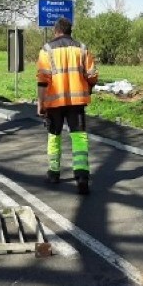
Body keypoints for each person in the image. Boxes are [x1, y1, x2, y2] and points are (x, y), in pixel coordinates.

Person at [36, 17, 99, 195]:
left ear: (56, 31)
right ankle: (82, 175)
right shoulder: (82, 49)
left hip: (54, 103)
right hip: (77, 102)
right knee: (79, 138)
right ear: (70, 31)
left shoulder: (46, 50)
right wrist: (89, 85)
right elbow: (93, 75)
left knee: (54, 136)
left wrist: (40, 104)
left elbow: (42, 80)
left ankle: (54, 173)